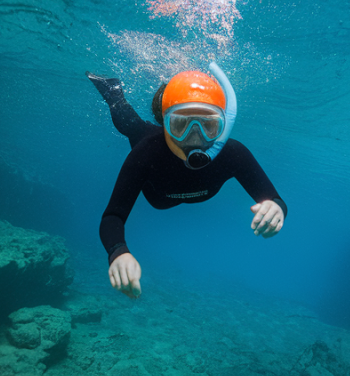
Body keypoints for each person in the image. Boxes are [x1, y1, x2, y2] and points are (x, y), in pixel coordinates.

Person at [88, 63, 286, 299]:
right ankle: (113, 93)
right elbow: (113, 216)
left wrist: (276, 208)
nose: (195, 138)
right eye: (181, 125)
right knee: (130, 125)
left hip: (162, 195)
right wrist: (118, 252)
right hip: (155, 181)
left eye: (209, 125)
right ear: (164, 122)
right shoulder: (146, 153)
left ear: (223, 127)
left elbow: (275, 199)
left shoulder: (233, 154)